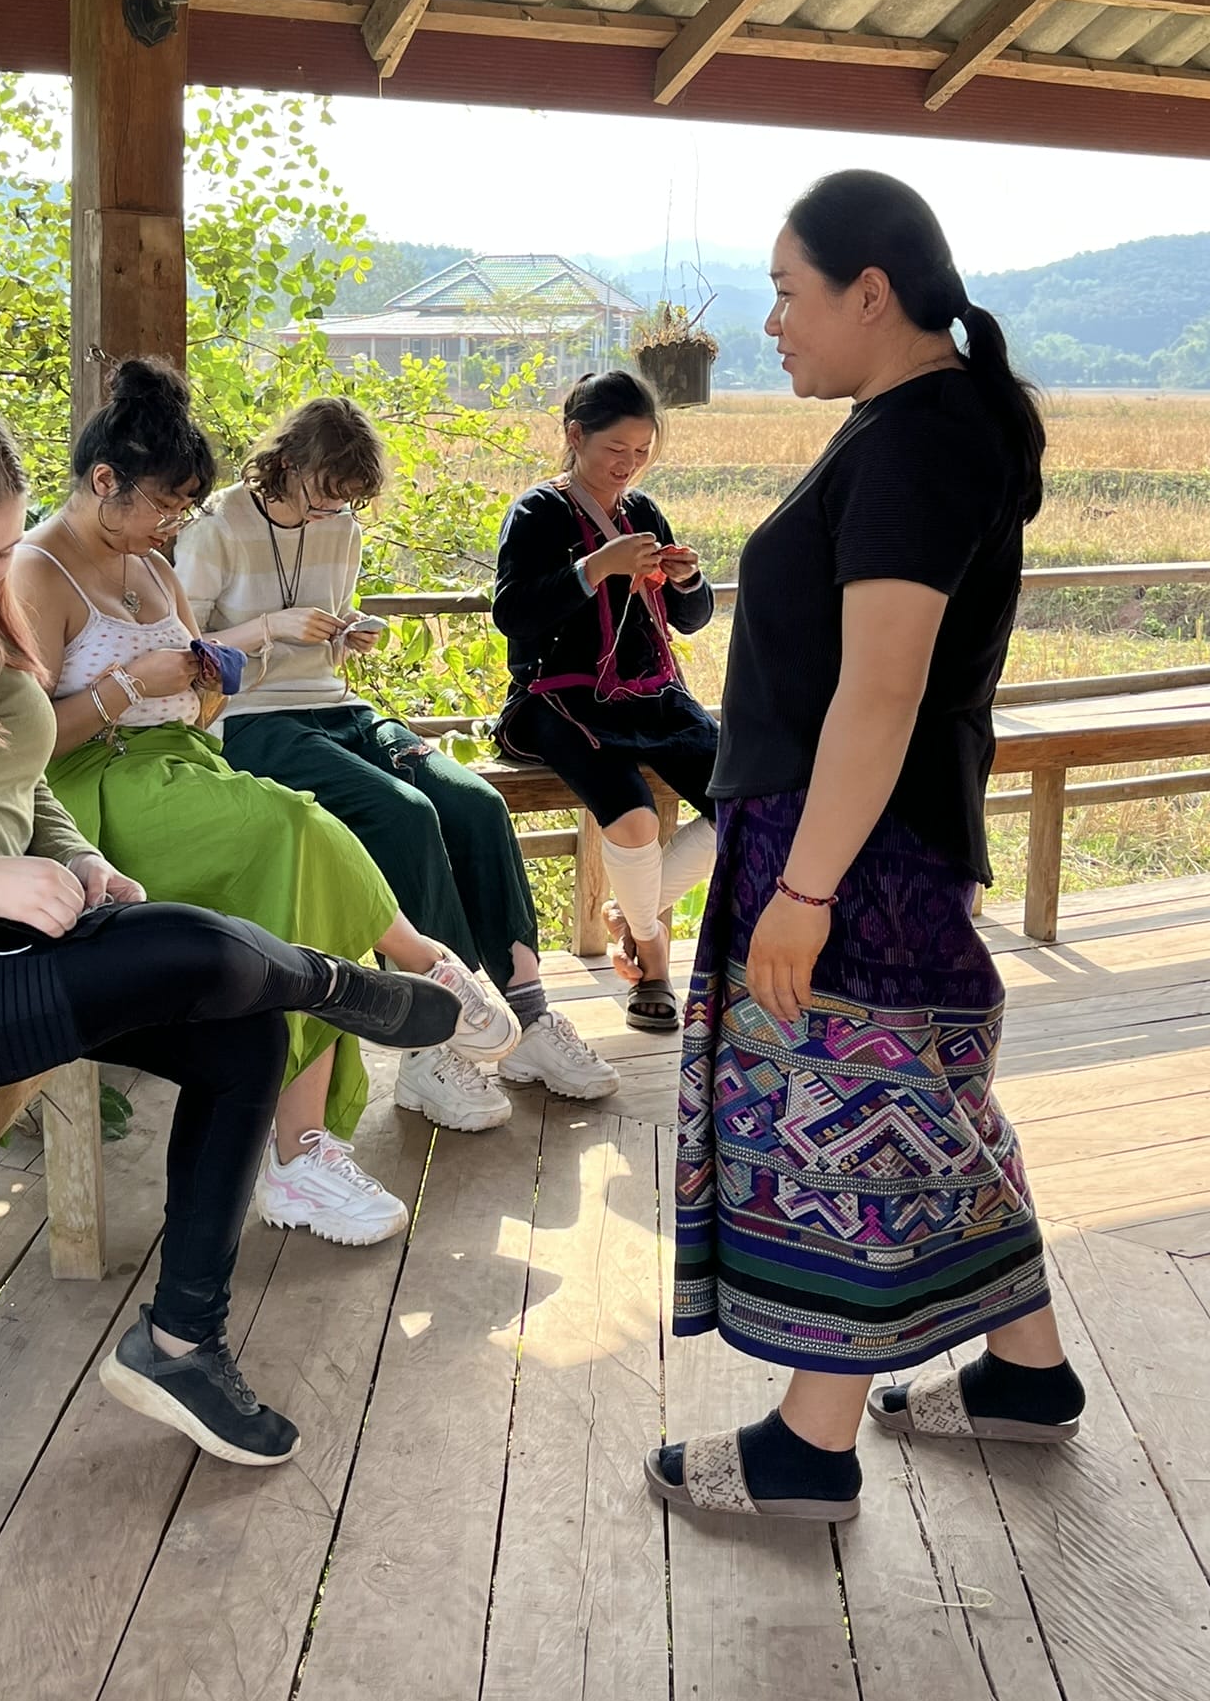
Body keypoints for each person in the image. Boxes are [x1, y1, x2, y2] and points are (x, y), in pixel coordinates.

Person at [0, 389, 463, 1472]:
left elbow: (12, 755)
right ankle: (342, 989)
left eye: (0, 551)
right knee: (205, 953)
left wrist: (79, 858)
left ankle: (180, 1341)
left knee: (234, 1022)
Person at [648, 171, 1084, 1525]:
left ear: (871, 294)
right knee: (932, 1108)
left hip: (857, 850)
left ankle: (808, 1449)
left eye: (788, 292)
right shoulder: (921, 420)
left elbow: (881, 686)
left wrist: (804, 890)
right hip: (876, 834)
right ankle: (1025, 1376)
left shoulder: (917, 439)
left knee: (851, 1118)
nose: (770, 324)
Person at [13, 360, 518, 1250]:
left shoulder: (152, 567)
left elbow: (200, 702)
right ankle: (417, 968)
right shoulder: (37, 569)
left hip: (181, 763)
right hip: (95, 790)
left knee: (303, 852)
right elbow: (22, 749)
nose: (175, 524)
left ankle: (305, 1150)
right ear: (104, 482)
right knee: (295, 828)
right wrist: (133, 685)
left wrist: (206, 681)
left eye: (181, 509)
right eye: (165, 507)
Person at [175, 396, 619, 1132]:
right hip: (250, 721)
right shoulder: (217, 530)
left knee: (474, 802)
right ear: (284, 463)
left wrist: (344, 632)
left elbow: (321, 629)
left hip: (336, 705)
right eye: (324, 495)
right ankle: (431, 1041)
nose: (332, 513)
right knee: (404, 814)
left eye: (347, 500)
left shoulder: (341, 527)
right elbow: (188, 656)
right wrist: (268, 628)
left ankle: (529, 1018)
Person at [492, 370, 719, 1032]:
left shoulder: (642, 512)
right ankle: (653, 961)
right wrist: (596, 567)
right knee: (636, 821)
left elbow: (691, 619)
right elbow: (513, 615)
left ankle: (632, 914)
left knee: (756, 800)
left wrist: (688, 578)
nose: (629, 466)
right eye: (616, 450)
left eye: (642, 453)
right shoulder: (538, 511)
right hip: (560, 699)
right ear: (575, 436)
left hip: (649, 696)